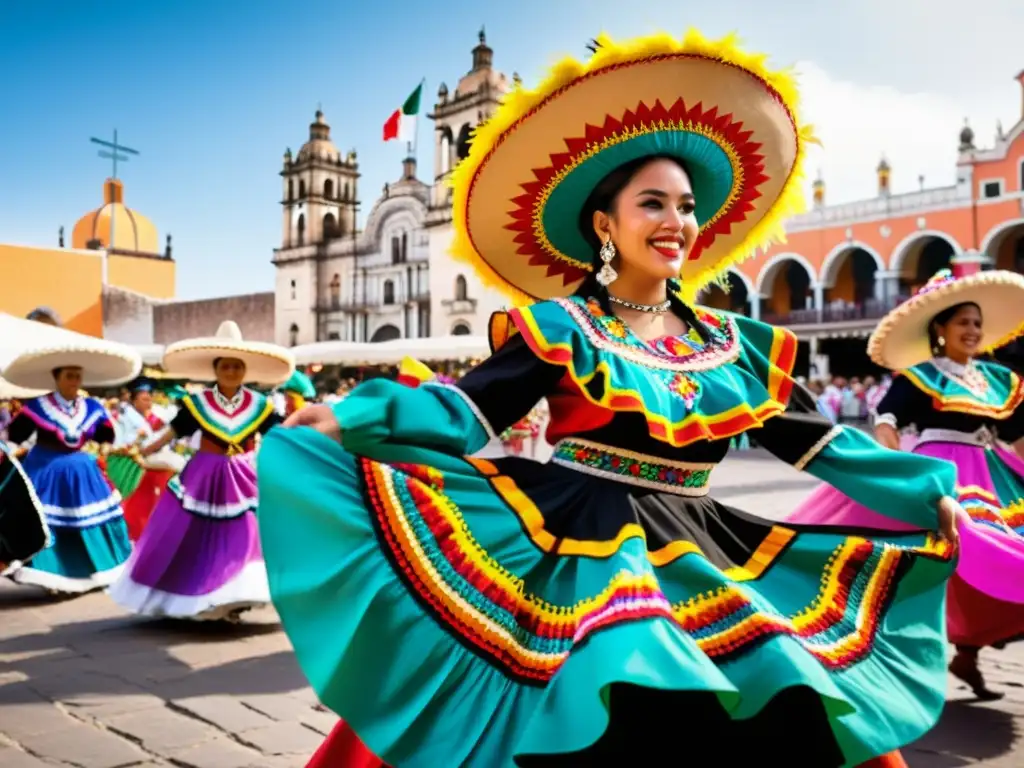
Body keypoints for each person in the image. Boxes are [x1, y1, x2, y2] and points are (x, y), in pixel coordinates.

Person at [258, 30, 965, 767]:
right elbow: (468, 411)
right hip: (577, 545)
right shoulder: (562, 327)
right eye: (651, 203)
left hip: (703, 545)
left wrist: (925, 487)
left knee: (780, 706)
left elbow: (818, 440)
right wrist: (352, 415)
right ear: (605, 224)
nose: (675, 222)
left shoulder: (735, 344)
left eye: (686, 205)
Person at [789, 267, 1024, 701]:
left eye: (977, 323)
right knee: (944, 557)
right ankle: (877, 660)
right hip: (940, 472)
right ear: (941, 329)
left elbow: (1014, 434)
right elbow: (887, 418)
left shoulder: (994, 379)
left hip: (992, 474)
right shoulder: (921, 375)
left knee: (1001, 553)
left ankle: (968, 653)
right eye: (963, 323)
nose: (972, 331)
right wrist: (894, 468)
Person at [108, 321, 293, 621]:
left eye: (237, 366)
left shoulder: (260, 405)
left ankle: (237, 593)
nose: (232, 371)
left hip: (243, 477)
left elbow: (281, 435)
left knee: (246, 532)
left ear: (244, 370)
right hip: (204, 477)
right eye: (226, 366)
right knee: (199, 536)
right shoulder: (197, 404)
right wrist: (139, 452)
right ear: (216, 369)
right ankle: (206, 596)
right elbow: (171, 433)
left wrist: (312, 446)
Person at [3, 337, 140, 593]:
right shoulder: (37, 407)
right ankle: (50, 577)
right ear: (57, 378)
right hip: (46, 469)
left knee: (86, 522)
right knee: (48, 523)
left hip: (82, 473)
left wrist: (106, 448)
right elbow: (15, 435)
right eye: (69, 376)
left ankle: (93, 571)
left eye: (77, 376)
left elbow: (105, 435)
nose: (74, 381)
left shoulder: (91, 406)